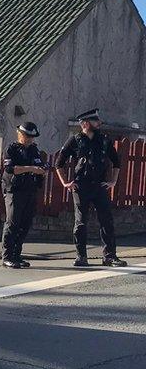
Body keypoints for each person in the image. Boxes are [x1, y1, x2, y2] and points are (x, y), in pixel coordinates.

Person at [54, 109, 128, 267]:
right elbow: (59, 163)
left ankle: (109, 256)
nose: (99, 123)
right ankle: (81, 256)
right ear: (86, 124)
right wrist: (65, 182)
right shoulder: (75, 140)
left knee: (106, 220)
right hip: (81, 186)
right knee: (81, 222)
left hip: (99, 186)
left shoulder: (104, 140)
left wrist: (113, 181)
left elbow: (116, 162)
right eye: (95, 121)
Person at [1, 122, 46, 268]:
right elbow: (9, 168)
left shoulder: (34, 150)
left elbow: (41, 166)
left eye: (32, 137)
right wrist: (30, 168)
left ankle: (16, 255)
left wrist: (41, 170)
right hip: (14, 190)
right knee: (13, 222)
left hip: (30, 190)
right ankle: (7, 256)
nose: (30, 140)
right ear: (20, 134)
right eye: (27, 136)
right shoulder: (11, 149)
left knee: (25, 224)